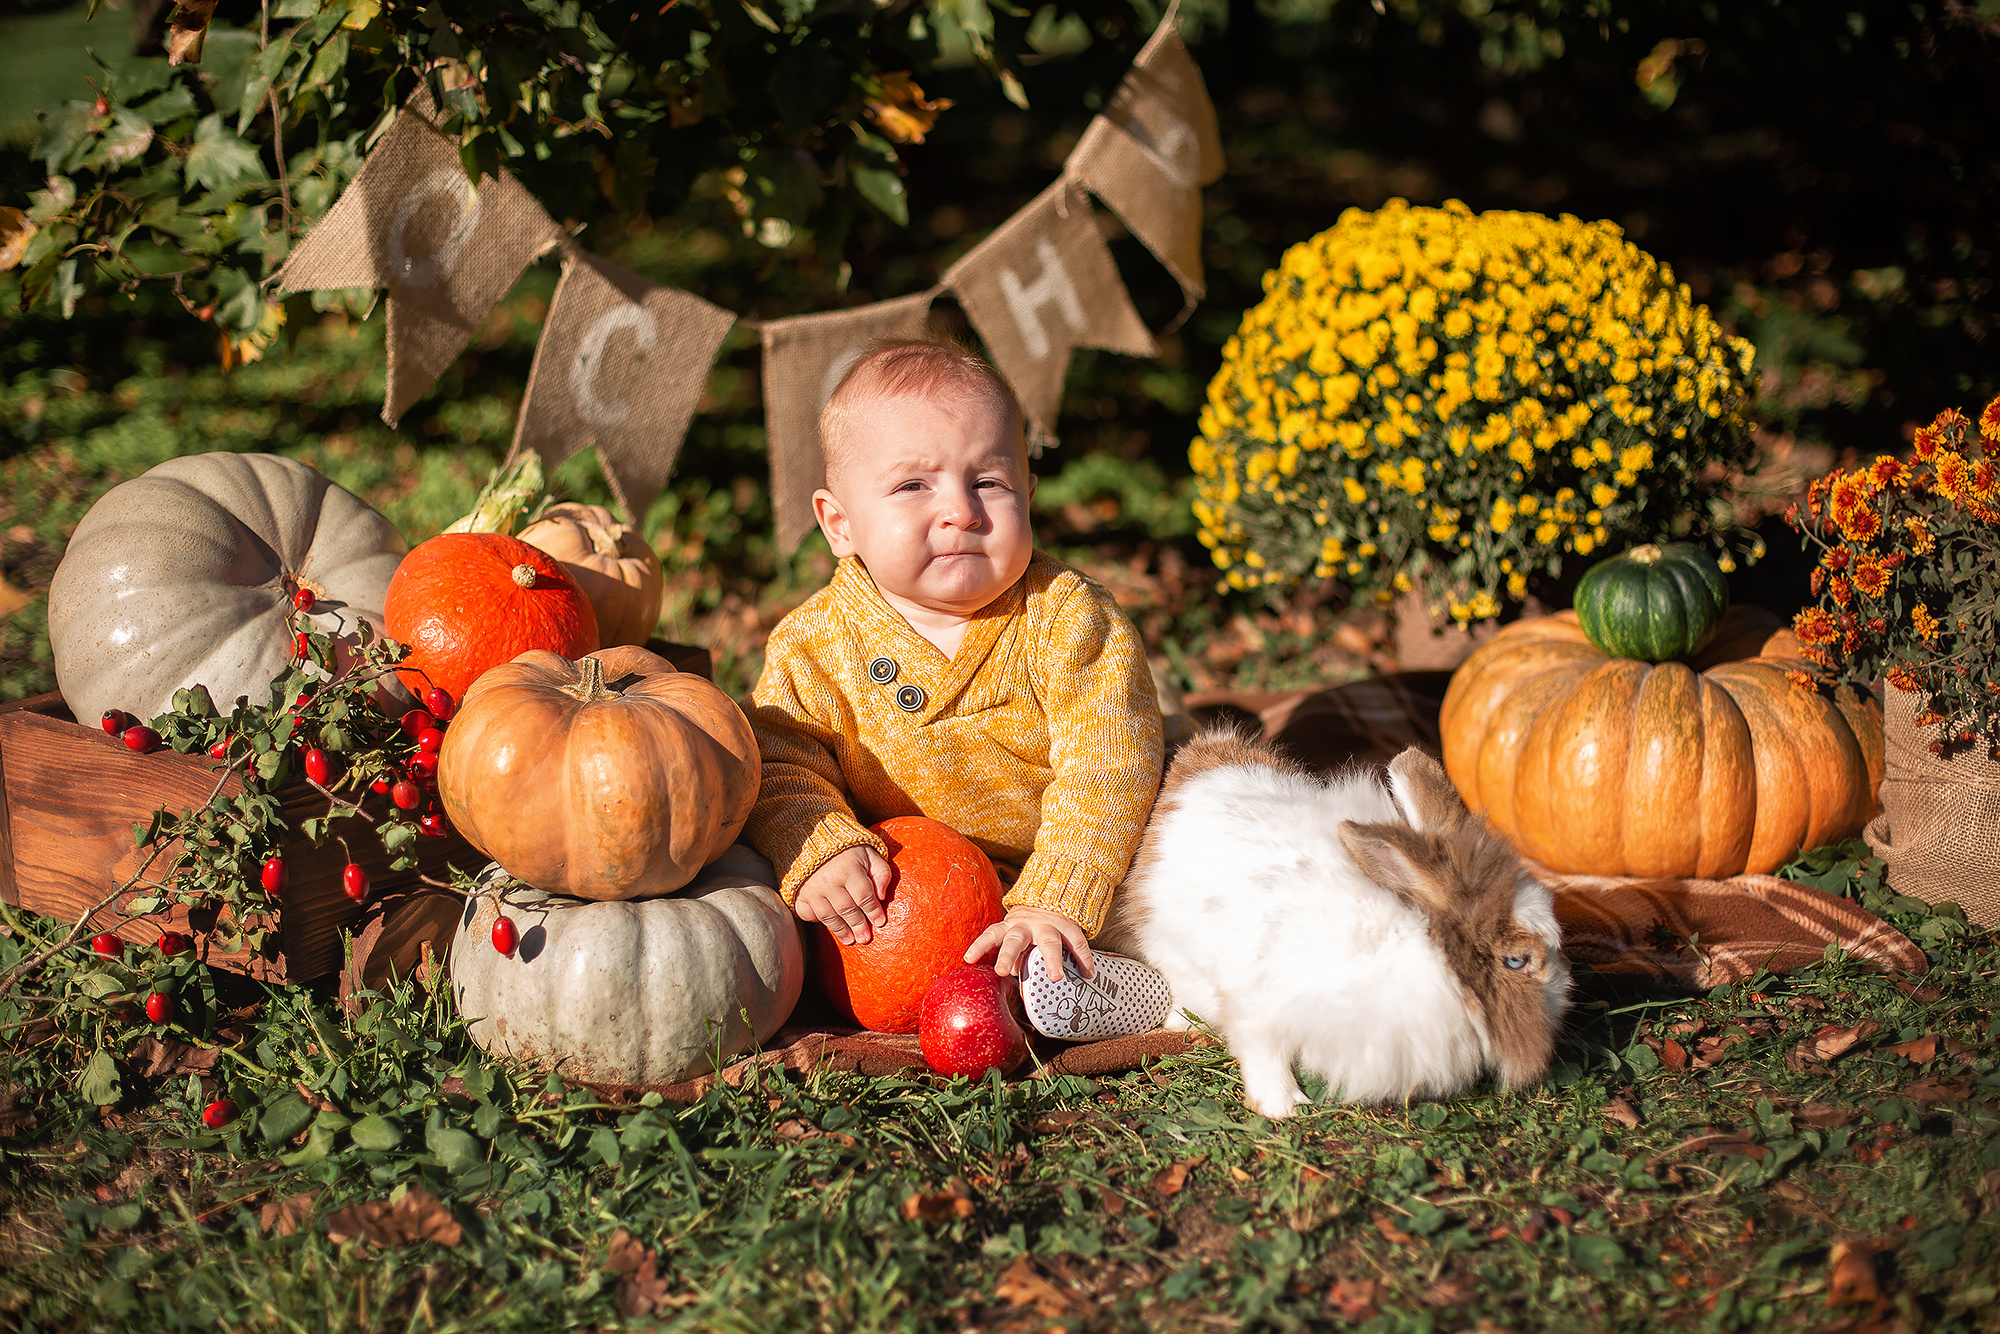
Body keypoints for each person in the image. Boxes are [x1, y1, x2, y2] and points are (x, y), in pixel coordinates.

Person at [744, 338, 1168, 1034]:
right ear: (839, 523)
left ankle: (1131, 981)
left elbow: (1109, 766)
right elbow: (781, 762)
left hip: (1082, 869)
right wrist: (819, 844)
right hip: (914, 906)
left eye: (990, 482)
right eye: (914, 485)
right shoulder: (814, 647)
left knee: (1185, 834)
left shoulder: (1065, 616)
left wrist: (1054, 898)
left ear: (1027, 494)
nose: (962, 511)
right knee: (758, 875)